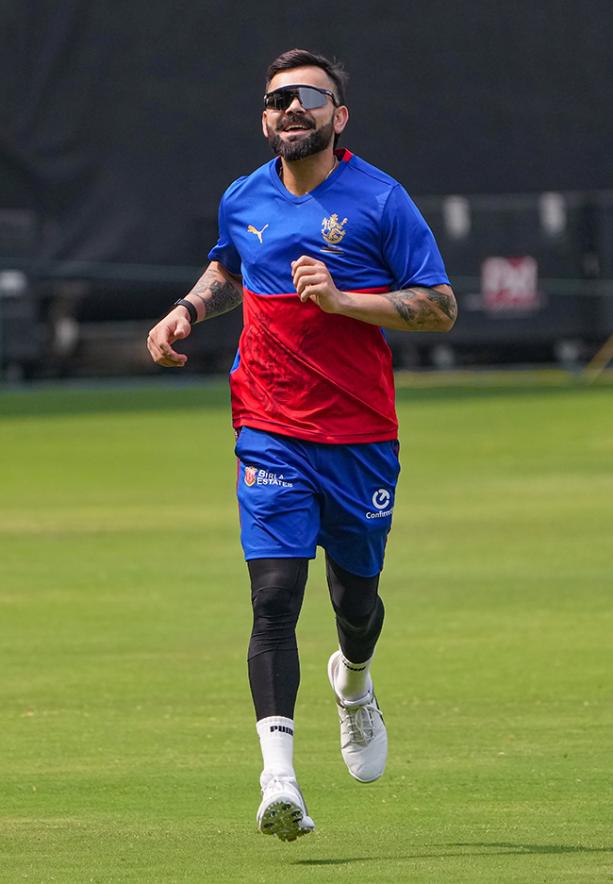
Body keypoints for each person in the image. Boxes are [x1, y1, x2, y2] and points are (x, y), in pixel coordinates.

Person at [147, 48, 457, 842]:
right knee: (274, 598)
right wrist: (186, 309)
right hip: (268, 426)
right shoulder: (243, 196)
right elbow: (228, 264)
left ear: (337, 116)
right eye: (276, 98)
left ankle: (353, 683)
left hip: (358, 436)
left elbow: (441, 305)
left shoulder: (380, 200)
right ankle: (278, 780)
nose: (289, 108)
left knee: (355, 604)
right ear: (263, 115)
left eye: (307, 98)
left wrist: (345, 300)